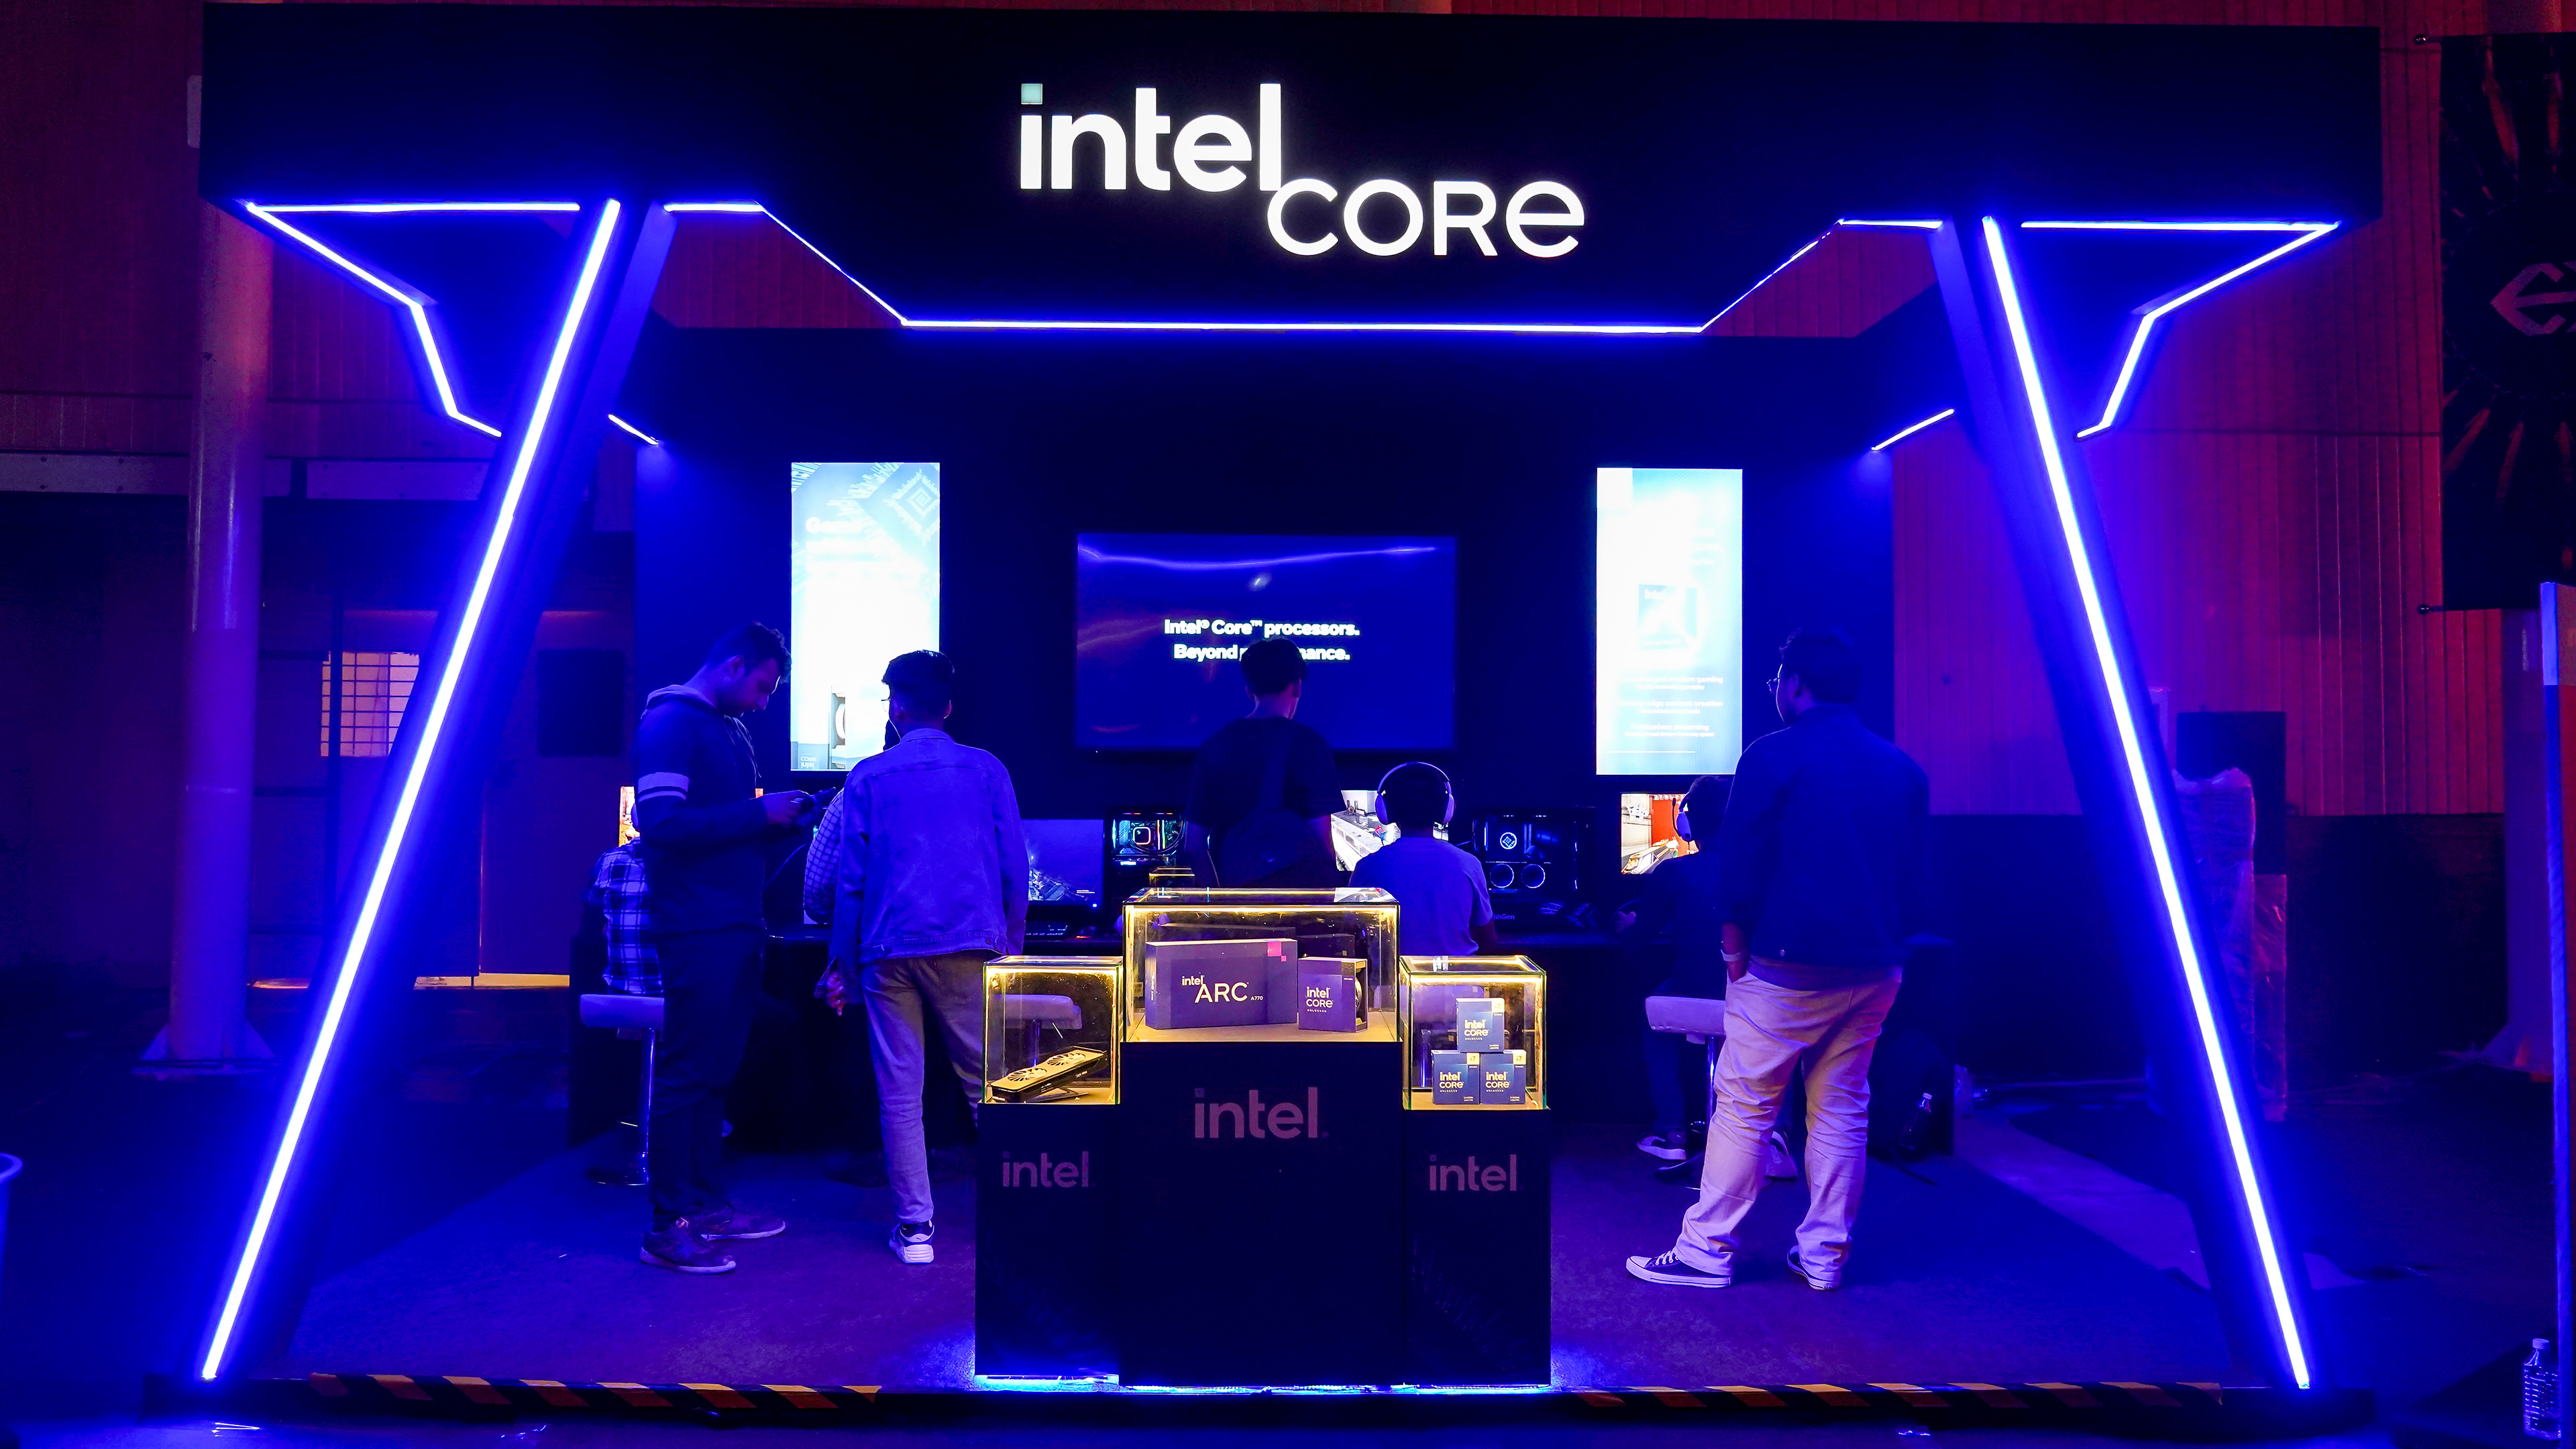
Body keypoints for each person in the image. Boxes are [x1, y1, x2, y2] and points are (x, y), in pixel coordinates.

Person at [1625, 627, 1928, 1293]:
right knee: (1842, 1107)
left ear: (1794, 684)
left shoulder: (1771, 755)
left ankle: (1706, 1251)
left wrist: (1734, 951)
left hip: (1785, 968)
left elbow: (1739, 870)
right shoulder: (1903, 768)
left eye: (1776, 681)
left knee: (1744, 1105)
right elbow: (1917, 886)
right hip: (1876, 968)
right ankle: (1824, 1257)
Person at [817, 651, 1027, 1266]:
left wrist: (841, 962)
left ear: (898, 708)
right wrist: (1012, 944)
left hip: (887, 950)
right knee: (988, 1087)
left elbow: (851, 883)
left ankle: (915, 1232)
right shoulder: (987, 770)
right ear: (949, 707)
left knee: (900, 1093)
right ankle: (1019, 1216)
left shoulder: (867, 776)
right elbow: (1014, 868)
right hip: (970, 943)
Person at [631, 623, 817, 1275]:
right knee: (688, 1072)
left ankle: (706, 1206)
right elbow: (657, 823)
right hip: (698, 926)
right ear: (735, 665)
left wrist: (781, 821)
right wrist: (760, 815)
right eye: (763, 687)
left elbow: (718, 832)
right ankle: (668, 1224)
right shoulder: (672, 724)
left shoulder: (726, 728)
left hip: (731, 924)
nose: (765, 703)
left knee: (713, 1071)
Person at [1182, 638, 1340, 888]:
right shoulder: (1310, 744)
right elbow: (1323, 844)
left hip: (1235, 896)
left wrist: (1219, 900)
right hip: (1297, 900)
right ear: (1297, 686)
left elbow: (1193, 846)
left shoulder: (1215, 746)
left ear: (1249, 690)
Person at [1350, 762, 1499, 957]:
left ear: (1385, 810)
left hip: (1391, 976)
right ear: (1446, 809)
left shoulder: (1367, 867)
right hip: (1457, 975)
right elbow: (1488, 941)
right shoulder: (1469, 864)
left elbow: (1352, 931)